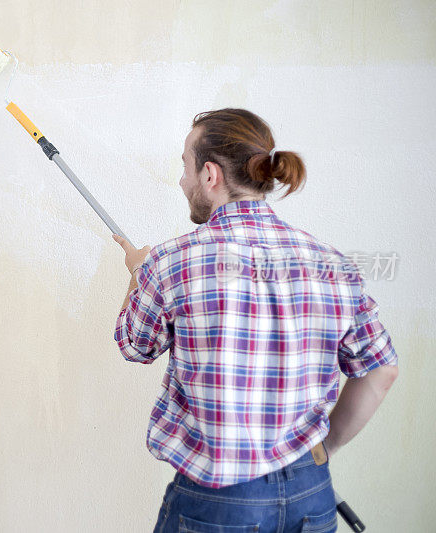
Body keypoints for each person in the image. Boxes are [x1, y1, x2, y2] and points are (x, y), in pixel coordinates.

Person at [112, 108, 398, 533]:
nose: (182, 180)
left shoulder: (171, 262)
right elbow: (382, 371)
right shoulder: (331, 264)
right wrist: (321, 451)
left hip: (219, 505)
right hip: (311, 490)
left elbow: (136, 345)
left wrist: (139, 275)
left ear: (210, 175)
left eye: (185, 166)